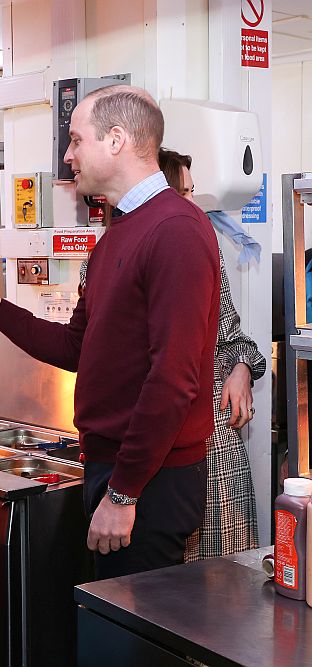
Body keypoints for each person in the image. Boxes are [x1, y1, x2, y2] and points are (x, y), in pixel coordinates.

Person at [0, 86, 220, 579]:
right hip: (116, 469)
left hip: (152, 481)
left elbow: (173, 379)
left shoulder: (176, 230)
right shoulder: (118, 234)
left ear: (117, 140)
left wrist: (124, 493)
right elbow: (76, 347)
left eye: (76, 140)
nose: (67, 156)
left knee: (129, 645)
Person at [155, 148, 265, 561]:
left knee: (230, 591)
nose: (192, 205)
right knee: (169, 596)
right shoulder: (112, 257)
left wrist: (240, 369)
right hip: (167, 448)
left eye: (193, 193)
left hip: (219, 446)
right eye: (182, 193)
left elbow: (234, 337)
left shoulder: (206, 248)